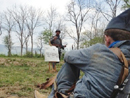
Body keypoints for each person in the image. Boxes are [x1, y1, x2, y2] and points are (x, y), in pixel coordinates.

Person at [35, 9, 130, 98]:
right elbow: (51, 42)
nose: (58, 33)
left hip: (59, 52)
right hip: (54, 50)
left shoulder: (99, 51)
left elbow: (69, 56)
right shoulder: (54, 38)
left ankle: (54, 96)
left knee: (71, 61)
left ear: (107, 39)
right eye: (58, 32)